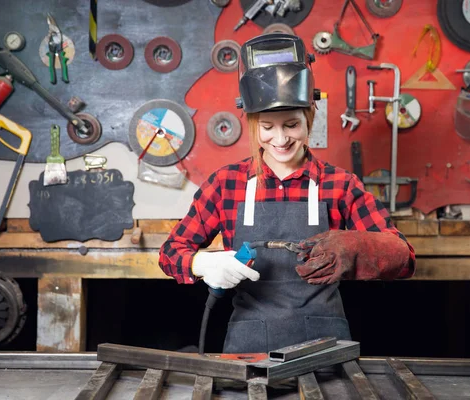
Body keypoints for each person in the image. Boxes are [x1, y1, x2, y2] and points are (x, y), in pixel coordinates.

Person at [159, 33, 416, 354]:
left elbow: (404, 259)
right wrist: (202, 264)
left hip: (326, 343)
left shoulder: (341, 184)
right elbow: (171, 252)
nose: (280, 139)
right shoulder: (227, 184)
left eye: (292, 124)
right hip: (248, 343)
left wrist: (357, 247)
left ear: (310, 118)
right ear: (254, 124)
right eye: (267, 126)